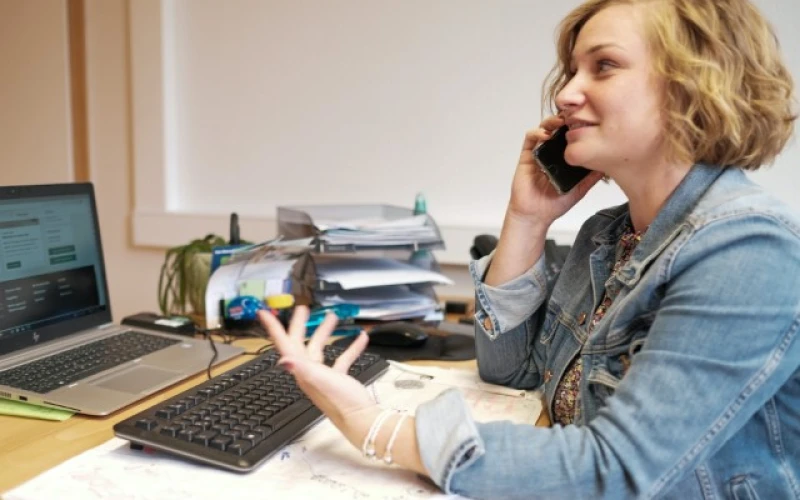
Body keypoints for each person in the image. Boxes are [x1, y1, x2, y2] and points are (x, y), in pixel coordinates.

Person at [258, 0, 800, 497]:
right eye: (572, 70)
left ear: (694, 85)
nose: (565, 94)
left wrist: (375, 427)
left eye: (604, 66)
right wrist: (526, 219)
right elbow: (512, 372)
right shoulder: (608, 236)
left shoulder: (747, 249)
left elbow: (615, 471)